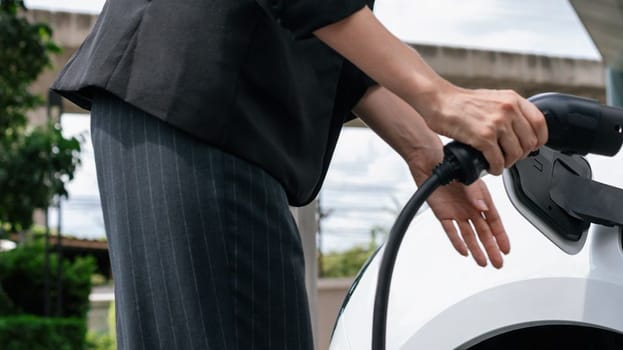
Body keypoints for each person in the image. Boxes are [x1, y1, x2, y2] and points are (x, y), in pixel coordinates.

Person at [51, 0, 547, 348]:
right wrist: (437, 95)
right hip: (202, 100)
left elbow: (323, 38)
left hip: (187, 102)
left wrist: (423, 148)